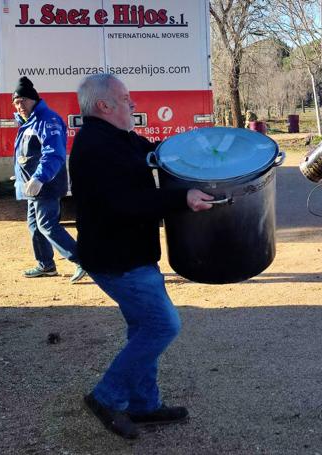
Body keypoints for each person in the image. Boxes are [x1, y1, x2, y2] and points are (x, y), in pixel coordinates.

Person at [69, 73, 214, 439]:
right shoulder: (95, 147)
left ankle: (144, 406)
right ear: (105, 105)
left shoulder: (120, 139)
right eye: (126, 97)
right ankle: (106, 397)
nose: (133, 103)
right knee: (163, 325)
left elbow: (153, 152)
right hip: (117, 260)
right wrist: (182, 199)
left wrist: (193, 146)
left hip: (130, 253)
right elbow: (126, 203)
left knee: (142, 327)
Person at [12, 76, 86, 284]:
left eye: (24, 101)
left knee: (47, 224)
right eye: (16, 102)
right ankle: (46, 264)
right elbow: (28, 156)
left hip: (46, 184)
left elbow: (53, 154)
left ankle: (82, 260)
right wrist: (22, 176)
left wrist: (38, 178)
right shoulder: (28, 123)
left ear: (34, 100)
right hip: (32, 186)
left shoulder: (47, 120)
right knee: (34, 225)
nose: (20, 106)